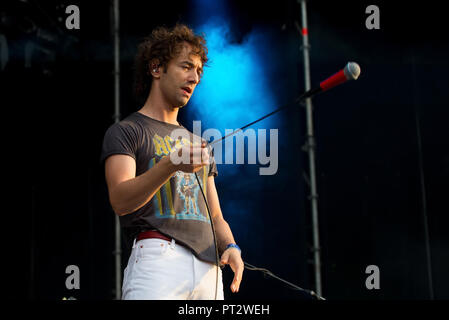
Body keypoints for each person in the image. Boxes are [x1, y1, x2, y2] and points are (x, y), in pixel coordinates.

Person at [100, 24, 244, 300]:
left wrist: (231, 245)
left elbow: (215, 216)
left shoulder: (197, 143)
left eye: (199, 71)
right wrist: (170, 164)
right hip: (158, 261)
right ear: (156, 68)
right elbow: (119, 200)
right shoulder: (127, 131)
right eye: (186, 66)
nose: (195, 78)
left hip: (209, 271)